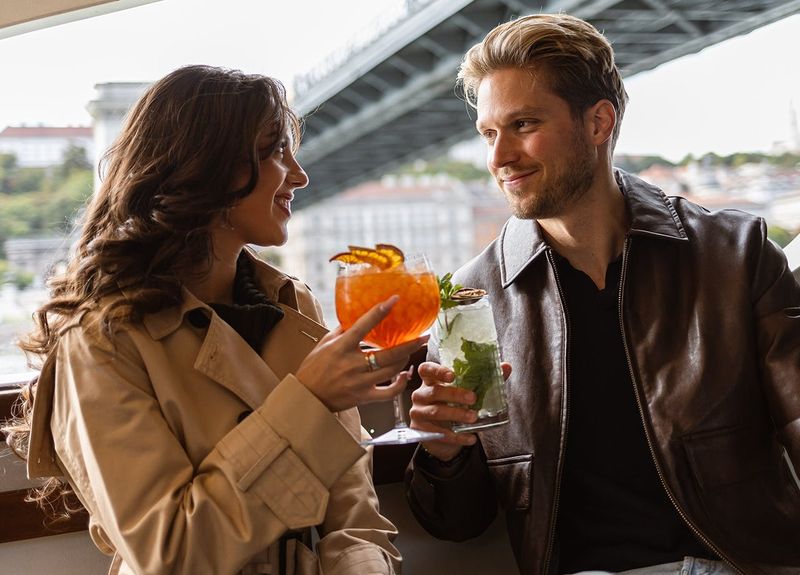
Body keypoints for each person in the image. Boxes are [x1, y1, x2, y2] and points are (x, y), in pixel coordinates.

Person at [404, 13, 800, 575]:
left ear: (598, 123)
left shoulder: (735, 252)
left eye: (523, 124)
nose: (499, 158)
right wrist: (444, 452)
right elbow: (459, 523)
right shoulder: (471, 299)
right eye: (489, 134)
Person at [3, 64, 423, 575]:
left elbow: (354, 517)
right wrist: (308, 402)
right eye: (273, 151)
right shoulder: (101, 343)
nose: (300, 174)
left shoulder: (296, 306)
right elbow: (173, 554)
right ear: (207, 168)